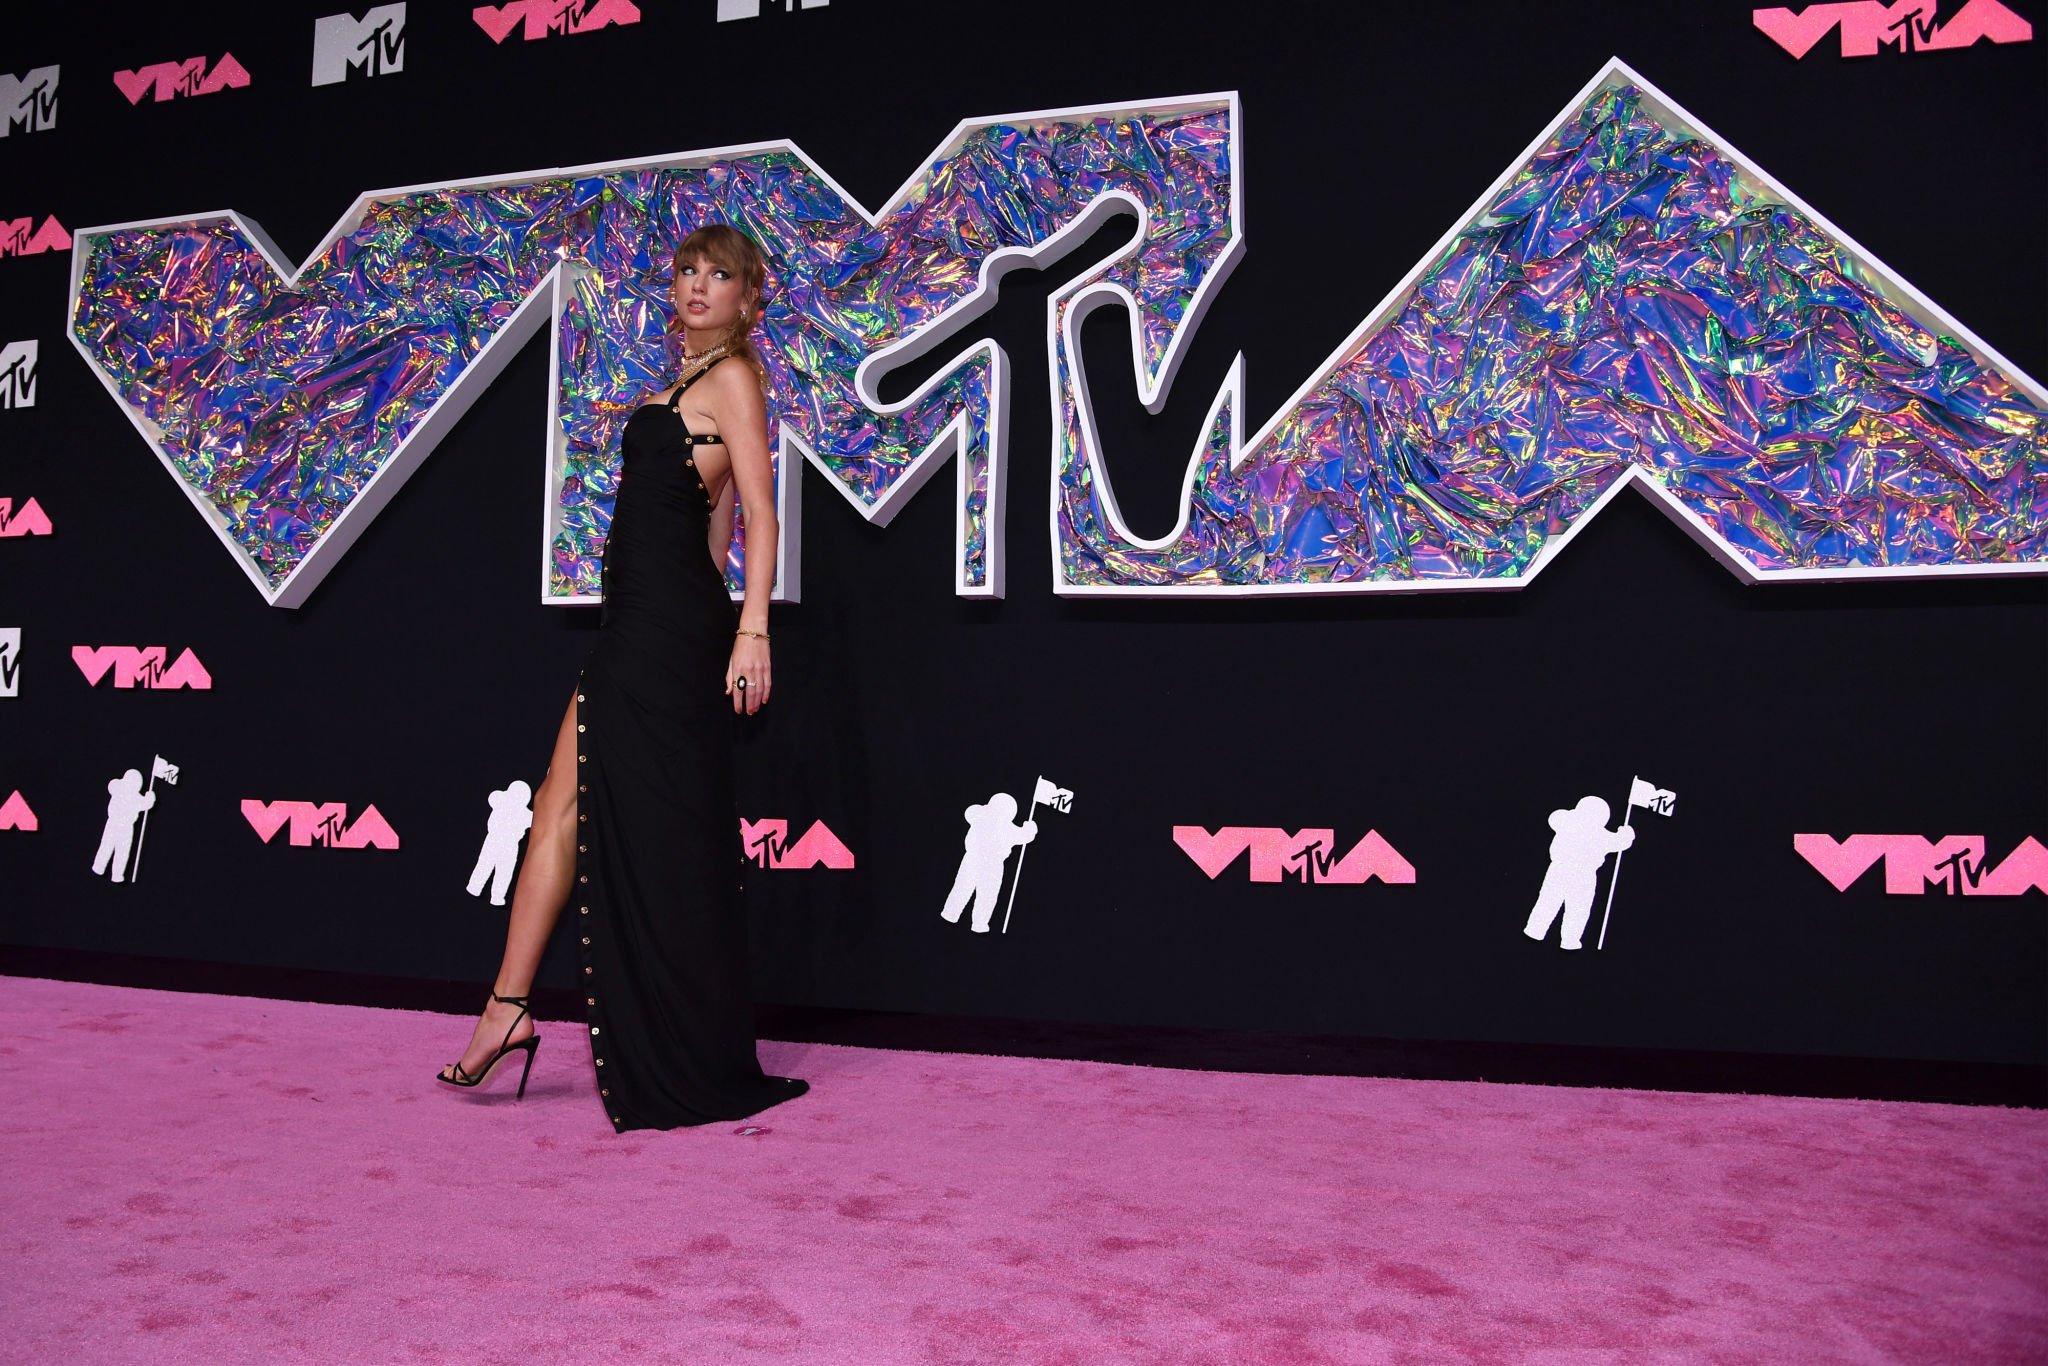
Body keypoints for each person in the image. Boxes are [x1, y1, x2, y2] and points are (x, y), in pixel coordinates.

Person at [436, 225, 808, 1132]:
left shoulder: (734, 379)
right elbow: (710, 525)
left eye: (719, 275)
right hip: (644, 624)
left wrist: (750, 630)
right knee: (558, 804)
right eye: (686, 271)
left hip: (665, 632)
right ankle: (508, 1008)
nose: (697, 286)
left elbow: (760, 515)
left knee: (584, 807)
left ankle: (514, 1010)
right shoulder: (677, 387)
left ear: (747, 298)